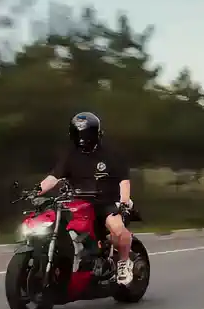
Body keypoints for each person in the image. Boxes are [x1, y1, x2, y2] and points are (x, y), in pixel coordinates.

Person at [35, 112, 135, 285]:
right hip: (78, 202)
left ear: (96, 133)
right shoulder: (70, 154)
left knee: (117, 229)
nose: (82, 137)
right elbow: (54, 177)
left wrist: (124, 201)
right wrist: (36, 190)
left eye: (86, 133)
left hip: (106, 201)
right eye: (78, 133)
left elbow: (123, 181)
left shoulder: (110, 154)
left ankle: (124, 263)